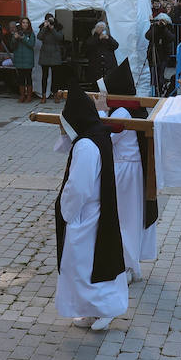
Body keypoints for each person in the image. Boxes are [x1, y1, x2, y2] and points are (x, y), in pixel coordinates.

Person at [54, 87, 128, 332]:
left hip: (87, 214)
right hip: (95, 211)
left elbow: (79, 186)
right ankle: (88, 309)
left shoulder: (87, 145)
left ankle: (105, 309)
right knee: (83, 268)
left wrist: (66, 212)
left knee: (89, 266)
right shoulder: (96, 134)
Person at [102, 60, 155, 282]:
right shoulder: (128, 108)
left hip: (124, 170)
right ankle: (131, 266)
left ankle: (126, 267)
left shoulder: (121, 111)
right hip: (128, 169)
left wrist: (100, 112)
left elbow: (104, 138)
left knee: (124, 219)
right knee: (128, 218)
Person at [144, 13, 174, 97]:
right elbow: (148, 36)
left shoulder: (169, 27)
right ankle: (154, 89)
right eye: (160, 20)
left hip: (164, 54)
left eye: (163, 21)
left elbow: (171, 38)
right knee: (153, 72)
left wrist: (164, 28)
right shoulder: (154, 27)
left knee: (160, 72)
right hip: (153, 52)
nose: (161, 22)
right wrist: (155, 27)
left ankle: (160, 89)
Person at [37, 13, 65, 98]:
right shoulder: (43, 27)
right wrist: (45, 28)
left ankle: (55, 94)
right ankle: (44, 95)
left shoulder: (58, 27)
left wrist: (52, 29)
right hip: (45, 53)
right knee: (44, 76)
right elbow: (39, 37)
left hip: (55, 53)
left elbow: (60, 38)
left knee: (55, 76)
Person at [10, 17, 36, 102]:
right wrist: (15, 38)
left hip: (28, 59)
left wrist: (23, 38)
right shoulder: (16, 32)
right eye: (23, 23)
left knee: (28, 78)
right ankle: (22, 95)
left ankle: (29, 96)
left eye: (26, 23)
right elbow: (12, 46)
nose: (25, 24)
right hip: (19, 59)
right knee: (20, 78)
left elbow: (31, 44)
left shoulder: (31, 33)